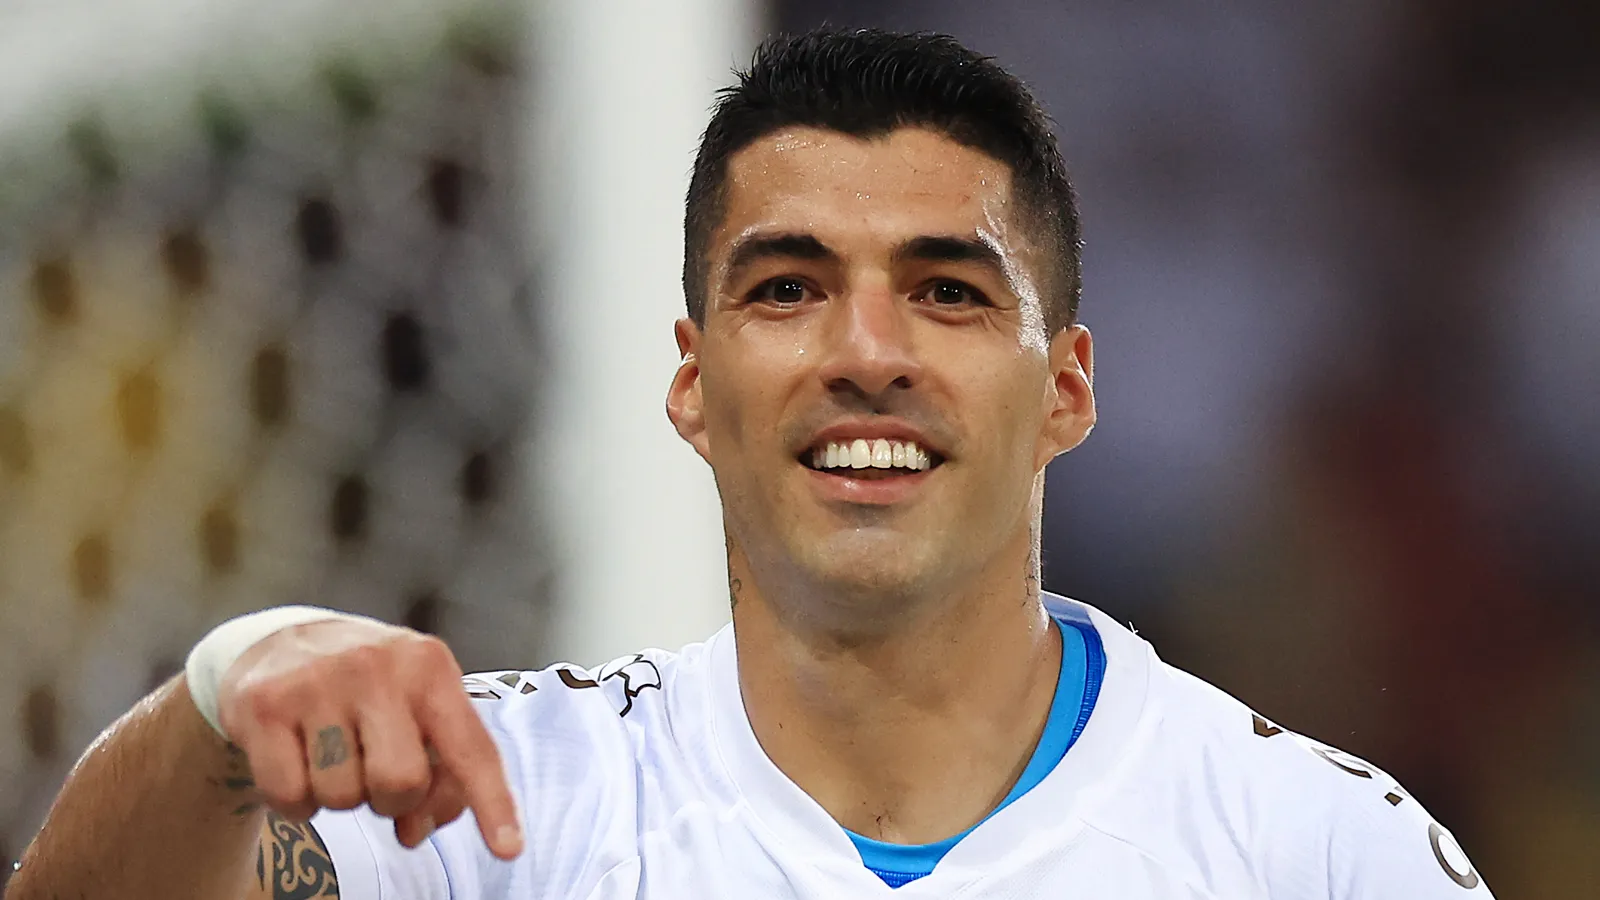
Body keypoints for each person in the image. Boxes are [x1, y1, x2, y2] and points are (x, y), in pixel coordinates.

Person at [6, 28, 1492, 900]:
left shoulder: (1316, 852)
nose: (867, 350)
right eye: (787, 288)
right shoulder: (493, 812)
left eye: (948, 290)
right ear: (691, 384)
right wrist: (223, 693)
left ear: (1067, 390)